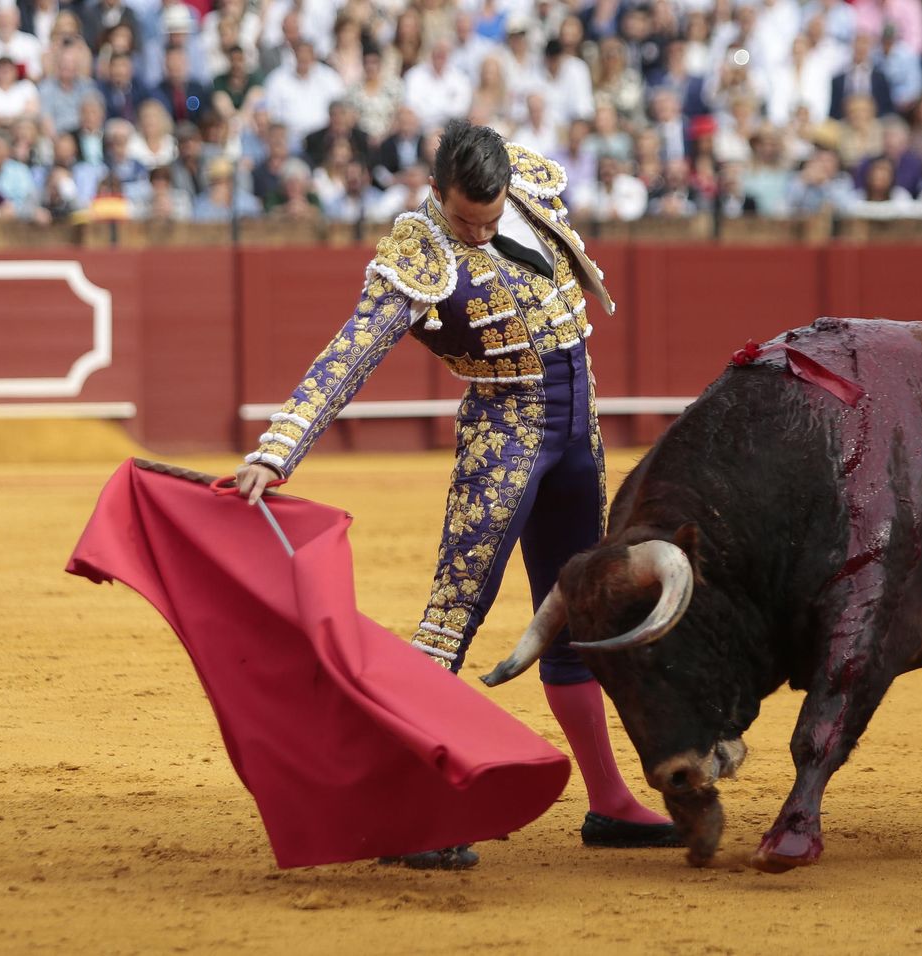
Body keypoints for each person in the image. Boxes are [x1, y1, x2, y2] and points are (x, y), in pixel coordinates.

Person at [233, 121, 678, 869]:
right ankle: (412, 812)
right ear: (436, 194)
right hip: (505, 435)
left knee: (577, 611)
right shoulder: (419, 249)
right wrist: (279, 450)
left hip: (577, 431)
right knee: (451, 618)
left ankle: (607, 801)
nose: (478, 231)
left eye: (489, 216)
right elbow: (352, 350)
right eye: (464, 219)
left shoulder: (529, 191)